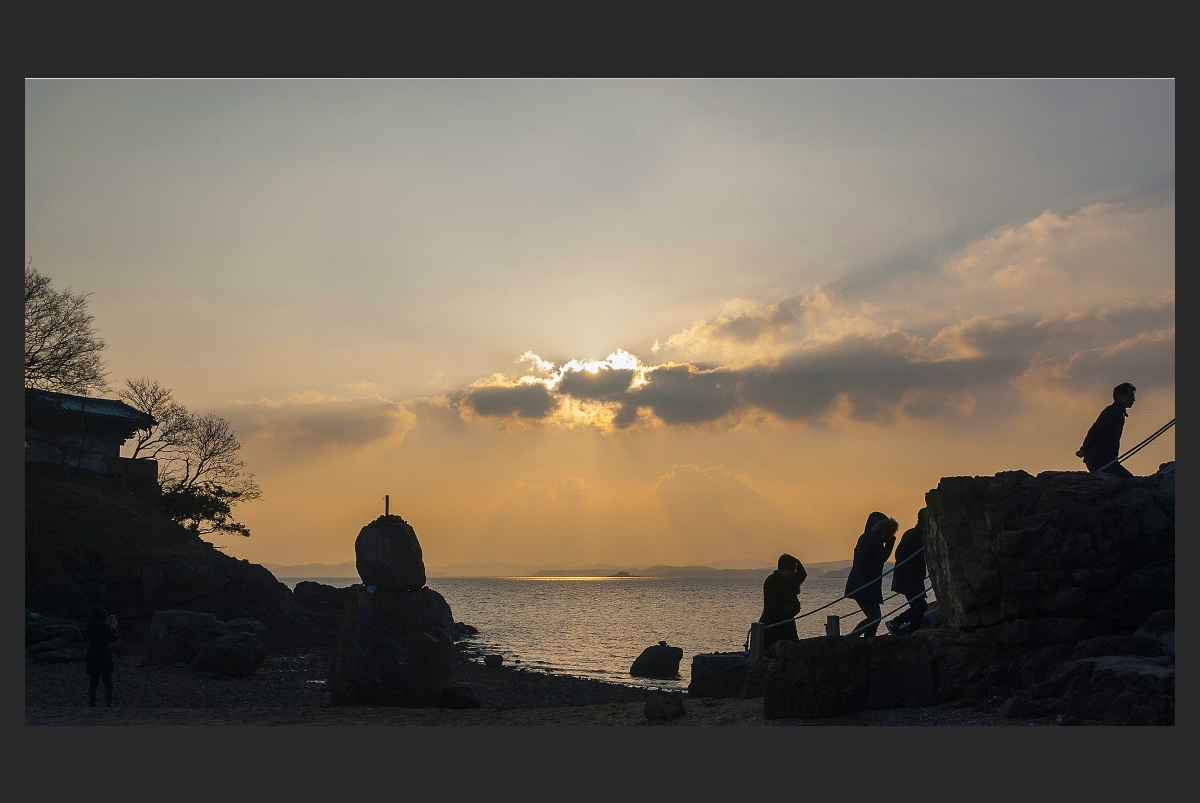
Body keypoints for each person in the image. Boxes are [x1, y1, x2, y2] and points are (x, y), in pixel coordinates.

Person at [845, 512, 898, 638]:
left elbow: (881, 560)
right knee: (874, 617)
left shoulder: (878, 543)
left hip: (871, 585)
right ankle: (850, 639)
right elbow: (864, 555)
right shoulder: (864, 538)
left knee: (875, 618)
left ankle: (868, 642)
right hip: (860, 584)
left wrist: (889, 544)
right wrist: (875, 535)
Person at [1076, 382, 1136, 478]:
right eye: (1130, 396)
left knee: (1125, 480)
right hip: (1100, 459)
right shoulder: (1113, 411)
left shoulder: (1118, 412)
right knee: (1129, 480)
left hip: (1103, 459)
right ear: (1119, 397)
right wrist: (1084, 449)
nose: (1133, 399)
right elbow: (1096, 429)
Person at [886, 509, 929, 636]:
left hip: (911, 578)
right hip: (909, 578)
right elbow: (902, 555)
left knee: (919, 609)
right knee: (921, 606)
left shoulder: (915, 534)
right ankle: (895, 622)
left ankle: (912, 634)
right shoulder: (916, 535)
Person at [760, 553, 808, 651]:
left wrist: (797, 561)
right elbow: (771, 604)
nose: (794, 573)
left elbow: (803, 574)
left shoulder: (791, 581)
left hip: (788, 626)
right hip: (772, 626)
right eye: (792, 570)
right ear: (784, 569)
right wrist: (786, 608)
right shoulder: (771, 581)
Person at [85, 605, 118, 708]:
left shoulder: (89, 627)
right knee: (107, 680)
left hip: (92, 655)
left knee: (93, 681)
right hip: (104, 656)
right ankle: (108, 704)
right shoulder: (105, 628)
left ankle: (91, 704)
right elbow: (114, 638)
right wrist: (113, 628)